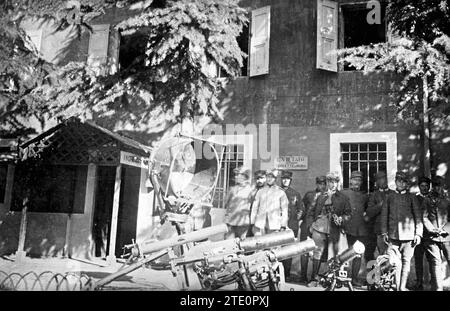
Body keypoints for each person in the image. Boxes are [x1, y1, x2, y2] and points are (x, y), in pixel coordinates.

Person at [306, 172, 352, 287]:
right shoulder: (320, 196)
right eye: (331, 182)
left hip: (334, 229)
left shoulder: (343, 198)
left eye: (335, 182)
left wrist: (341, 219)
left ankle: (332, 280)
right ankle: (314, 279)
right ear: (327, 183)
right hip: (319, 228)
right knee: (317, 253)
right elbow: (311, 212)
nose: (333, 184)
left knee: (334, 255)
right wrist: (311, 226)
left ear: (338, 183)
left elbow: (348, 214)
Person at [380, 171, 423, 291]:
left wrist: (418, 234)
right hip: (393, 236)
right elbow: (384, 215)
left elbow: (418, 217)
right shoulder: (389, 196)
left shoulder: (412, 197)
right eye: (398, 180)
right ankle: (398, 286)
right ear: (395, 182)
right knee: (395, 262)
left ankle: (402, 287)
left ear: (407, 184)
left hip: (409, 237)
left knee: (406, 261)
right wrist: (384, 232)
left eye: (403, 181)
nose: (400, 183)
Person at [422, 176, 450, 291]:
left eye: (440, 185)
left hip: (448, 237)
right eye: (435, 185)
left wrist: (446, 230)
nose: (438, 188)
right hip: (432, 237)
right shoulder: (427, 199)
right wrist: (432, 229)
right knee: (435, 263)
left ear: (443, 186)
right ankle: (438, 288)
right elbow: (424, 217)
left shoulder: (448, 199)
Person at [342, 171, 369, 287]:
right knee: (345, 254)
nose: (357, 182)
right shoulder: (344, 193)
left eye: (359, 180)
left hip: (360, 229)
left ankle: (354, 279)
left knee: (358, 254)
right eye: (355, 180)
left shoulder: (364, 196)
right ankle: (341, 278)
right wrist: (342, 226)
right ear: (350, 181)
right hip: (346, 229)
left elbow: (368, 212)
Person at [300, 175, 327, 283]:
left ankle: (314, 276)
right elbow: (302, 208)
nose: (322, 186)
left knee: (318, 251)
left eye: (324, 184)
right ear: (316, 184)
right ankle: (303, 277)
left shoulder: (327, 196)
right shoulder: (309, 195)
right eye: (320, 184)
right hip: (306, 226)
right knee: (304, 250)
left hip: (319, 227)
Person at [280, 170, 304, 281]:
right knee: (277, 250)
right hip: (278, 226)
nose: (285, 181)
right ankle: (276, 274)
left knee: (288, 251)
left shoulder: (295, 194)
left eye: (288, 179)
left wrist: (294, 221)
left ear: (290, 181)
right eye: (284, 178)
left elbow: (301, 209)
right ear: (281, 179)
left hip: (291, 226)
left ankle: (286, 274)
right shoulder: (276, 192)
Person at [250, 168, 289, 236]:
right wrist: (252, 222)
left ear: (275, 179)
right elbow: (255, 207)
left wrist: (283, 225)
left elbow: (284, 210)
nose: (269, 179)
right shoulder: (260, 191)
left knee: (273, 244)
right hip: (260, 224)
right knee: (260, 243)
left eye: (272, 177)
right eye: (268, 177)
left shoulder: (280, 192)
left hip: (274, 224)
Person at [364, 171, 393, 259]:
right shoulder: (374, 195)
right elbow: (369, 212)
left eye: (384, 178)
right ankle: (374, 273)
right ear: (376, 182)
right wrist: (381, 204)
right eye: (379, 179)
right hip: (378, 230)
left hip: (392, 230)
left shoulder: (393, 193)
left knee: (391, 257)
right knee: (379, 256)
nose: (382, 181)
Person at [223, 166, 253, 240]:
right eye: (235, 175)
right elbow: (226, 203)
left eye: (238, 174)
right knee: (228, 244)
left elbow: (253, 206)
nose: (235, 177)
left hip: (243, 223)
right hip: (230, 222)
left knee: (242, 245)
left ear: (244, 176)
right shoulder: (232, 189)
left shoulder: (251, 190)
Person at [413, 176, 431, 290]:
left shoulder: (432, 198)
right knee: (418, 259)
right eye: (422, 186)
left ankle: (433, 280)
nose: (424, 188)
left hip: (430, 234)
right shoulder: (415, 199)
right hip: (418, 234)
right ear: (419, 187)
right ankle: (419, 281)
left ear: (429, 187)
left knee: (432, 259)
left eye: (426, 186)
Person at [247, 170, 267, 237]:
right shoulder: (252, 191)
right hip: (251, 221)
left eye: (262, 178)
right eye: (257, 178)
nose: (259, 180)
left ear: (265, 178)